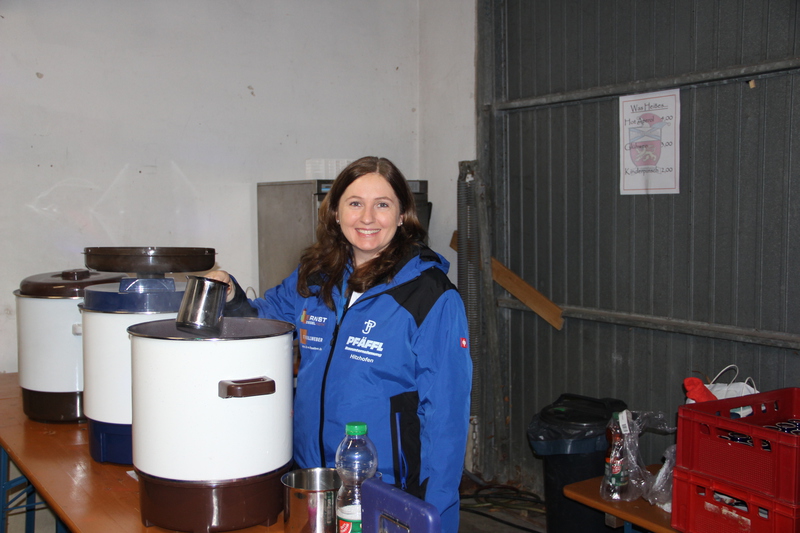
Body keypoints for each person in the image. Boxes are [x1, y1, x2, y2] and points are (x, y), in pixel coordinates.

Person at [207, 156, 471, 532]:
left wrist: (435, 516)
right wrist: (231, 294)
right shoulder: (317, 277)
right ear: (335, 212)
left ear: (402, 216)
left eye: (382, 204)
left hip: (385, 491)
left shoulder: (431, 296)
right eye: (355, 203)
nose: (367, 217)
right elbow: (262, 322)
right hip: (312, 480)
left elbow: (446, 419)